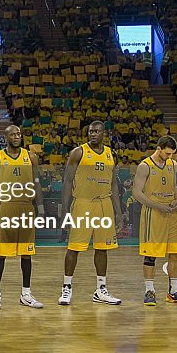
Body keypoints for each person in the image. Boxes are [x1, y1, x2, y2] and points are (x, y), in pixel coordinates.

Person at [59, 121, 125, 306]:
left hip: (104, 204)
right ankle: (66, 288)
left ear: (105, 133)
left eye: (96, 131)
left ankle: (101, 289)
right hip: (82, 203)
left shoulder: (111, 154)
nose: (93, 134)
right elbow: (67, 181)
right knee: (74, 248)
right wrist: (65, 211)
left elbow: (113, 184)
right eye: (90, 131)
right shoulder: (78, 152)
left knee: (102, 248)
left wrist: (118, 212)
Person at [133, 135, 177, 305]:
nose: (170, 156)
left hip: (171, 214)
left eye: (172, 154)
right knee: (150, 255)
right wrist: (157, 206)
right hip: (153, 213)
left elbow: (173, 185)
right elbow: (137, 193)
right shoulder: (144, 166)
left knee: (175, 253)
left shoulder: (172, 165)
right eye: (167, 153)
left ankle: (173, 292)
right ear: (158, 148)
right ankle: (149, 291)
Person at [0, 125, 44, 309]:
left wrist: (41, 208)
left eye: (18, 133)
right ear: (5, 138)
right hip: (6, 207)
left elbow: (36, 183)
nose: (16, 136)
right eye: (12, 134)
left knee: (27, 254)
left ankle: (26, 294)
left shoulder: (31, 157)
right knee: (1, 254)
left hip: (26, 207)